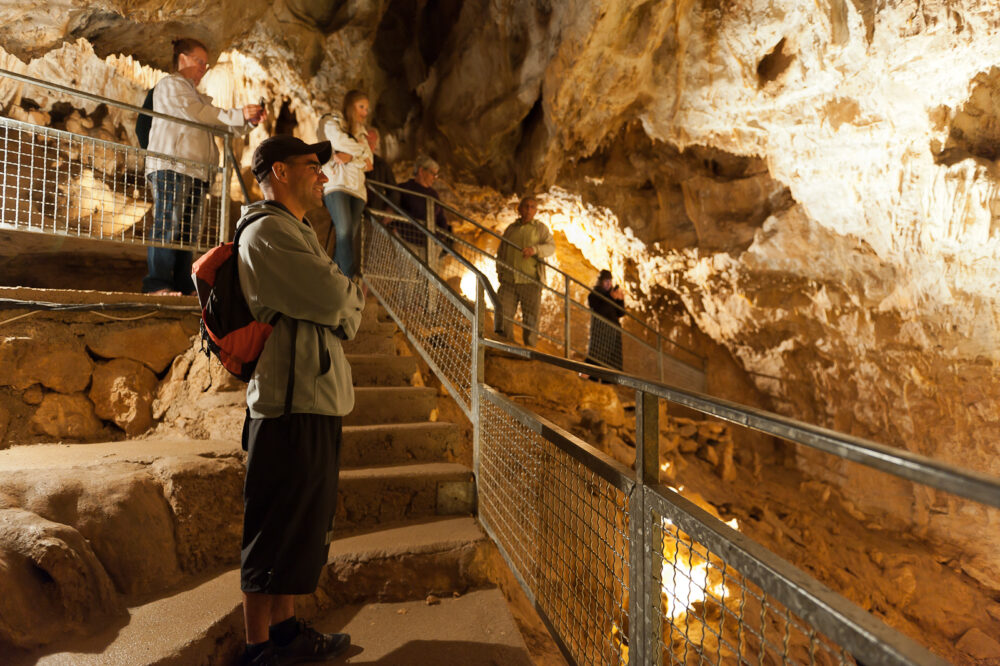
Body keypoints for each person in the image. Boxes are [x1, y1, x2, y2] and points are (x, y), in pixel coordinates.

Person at [236, 135, 365, 665]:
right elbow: (339, 297)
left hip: (313, 398)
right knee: (272, 528)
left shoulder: (299, 232)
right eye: (313, 166)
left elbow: (337, 301)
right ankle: (258, 649)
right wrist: (344, 299)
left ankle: (285, 634)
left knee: (299, 528)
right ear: (280, 172)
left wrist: (341, 301)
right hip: (288, 403)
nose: (322, 175)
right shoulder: (267, 232)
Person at [142, 37, 264, 295]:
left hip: (196, 170)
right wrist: (238, 113)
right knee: (169, 222)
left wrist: (248, 121)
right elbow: (198, 114)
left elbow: (220, 122)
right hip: (173, 165)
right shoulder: (171, 86)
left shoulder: (198, 98)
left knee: (188, 230)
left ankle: (183, 284)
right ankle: (158, 283)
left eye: (206, 65)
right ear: (182, 58)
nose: (203, 68)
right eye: (199, 61)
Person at [318, 90, 373, 279]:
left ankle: (333, 283)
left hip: (357, 191)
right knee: (344, 230)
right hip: (337, 185)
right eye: (361, 107)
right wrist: (360, 153)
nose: (365, 112)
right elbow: (337, 140)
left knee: (348, 237)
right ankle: (349, 278)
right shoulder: (333, 122)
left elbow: (370, 163)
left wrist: (350, 156)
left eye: (367, 108)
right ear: (351, 106)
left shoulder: (363, 135)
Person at [496, 196, 554, 347]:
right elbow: (501, 251)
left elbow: (551, 247)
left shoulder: (540, 229)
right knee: (504, 313)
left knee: (530, 318)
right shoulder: (511, 229)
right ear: (519, 209)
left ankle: (529, 349)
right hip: (509, 280)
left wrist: (535, 250)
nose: (529, 210)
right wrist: (500, 272)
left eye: (532, 207)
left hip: (530, 281)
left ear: (536, 211)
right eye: (526, 206)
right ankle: (506, 345)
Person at [389, 156, 452, 254]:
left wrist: (439, 238)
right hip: (407, 241)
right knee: (408, 269)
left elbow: (441, 218)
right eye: (432, 174)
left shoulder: (433, 195)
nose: (434, 178)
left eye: (436, 175)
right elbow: (392, 209)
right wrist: (395, 229)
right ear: (421, 170)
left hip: (429, 245)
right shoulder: (404, 188)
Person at [585, 270, 626, 374]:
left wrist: (621, 300)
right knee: (596, 358)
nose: (609, 284)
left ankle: (608, 381)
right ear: (600, 282)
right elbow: (601, 311)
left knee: (612, 360)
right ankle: (586, 378)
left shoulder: (611, 294)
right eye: (606, 281)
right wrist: (611, 298)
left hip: (613, 331)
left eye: (610, 281)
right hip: (601, 331)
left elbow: (620, 313)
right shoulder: (594, 295)